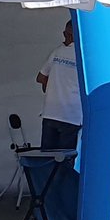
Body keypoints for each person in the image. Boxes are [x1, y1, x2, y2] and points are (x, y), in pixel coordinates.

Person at [35, 18, 83, 150]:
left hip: (51, 113)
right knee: (64, 160)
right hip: (72, 115)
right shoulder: (84, 57)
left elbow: (40, 77)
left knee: (47, 158)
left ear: (70, 35)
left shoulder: (57, 52)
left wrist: (51, 88)